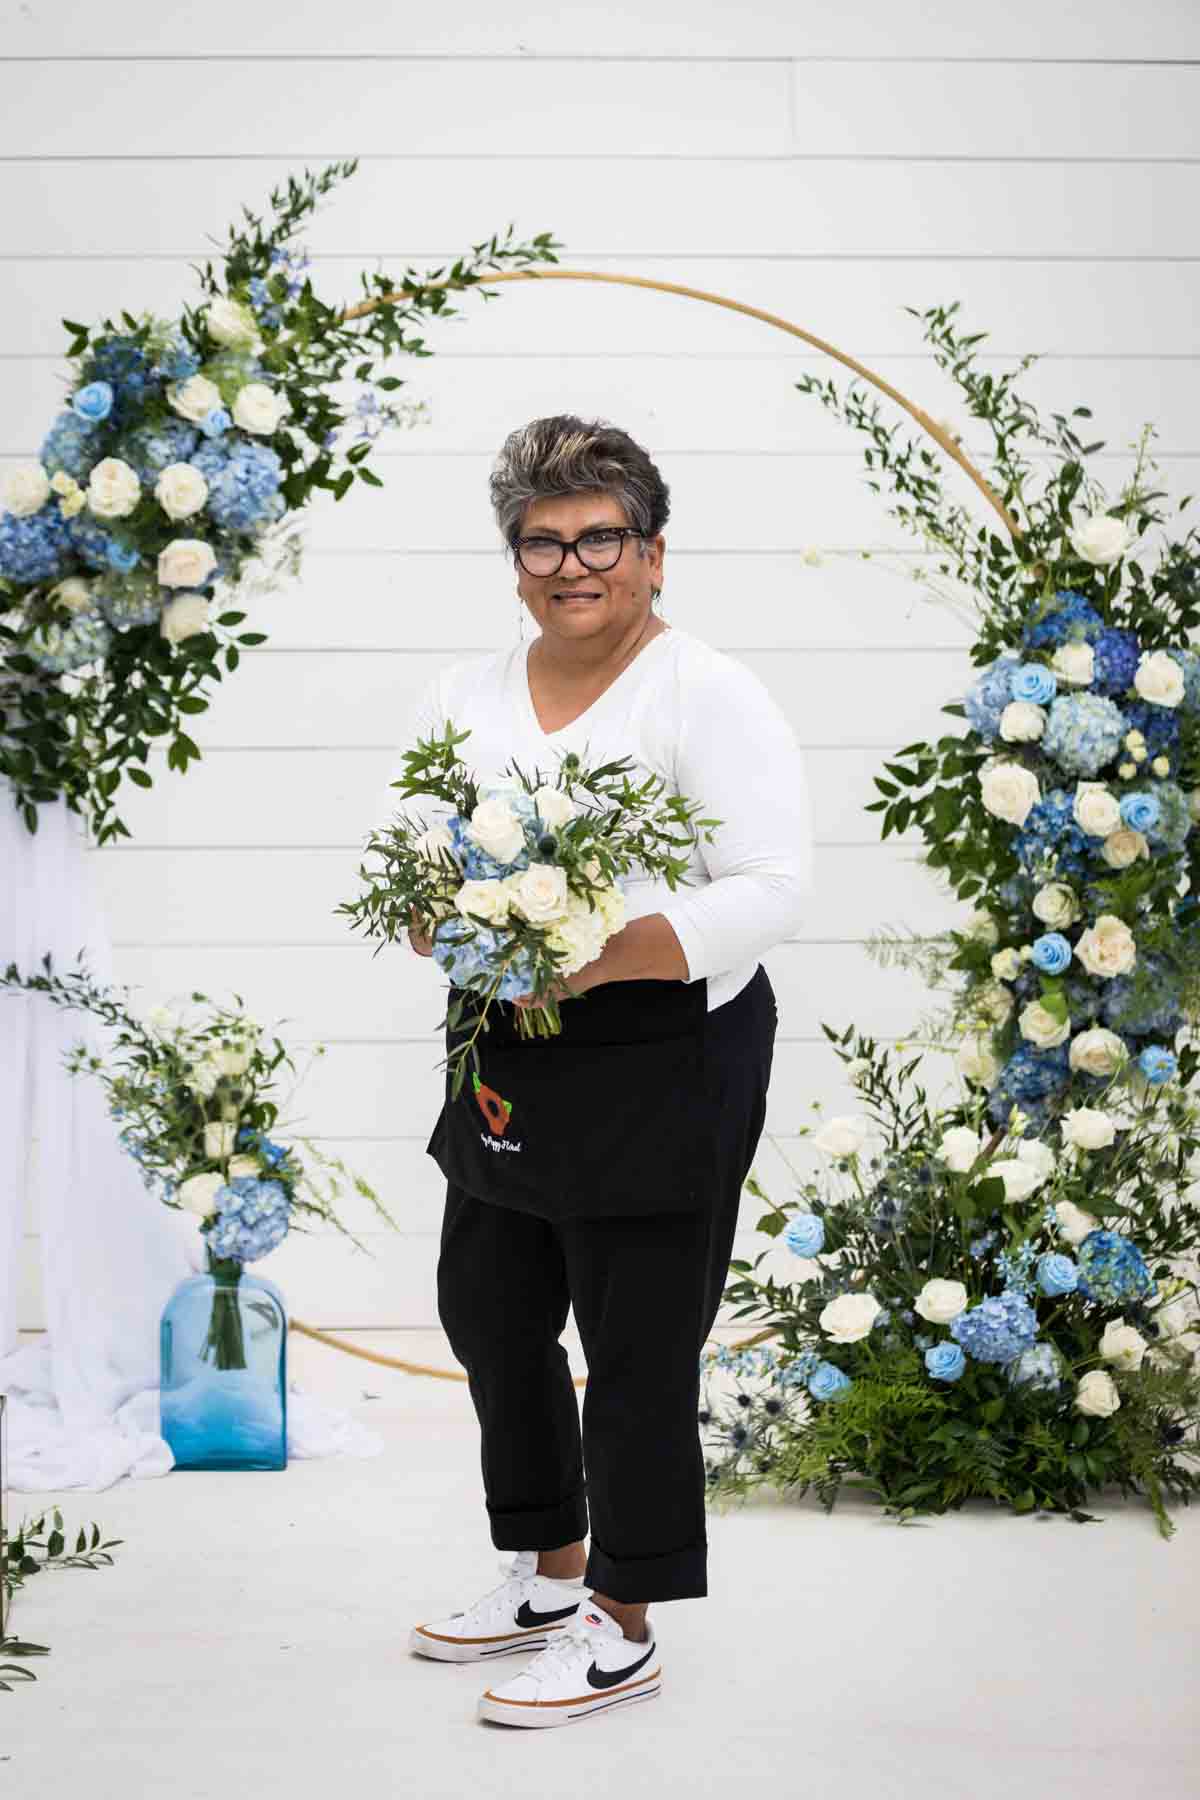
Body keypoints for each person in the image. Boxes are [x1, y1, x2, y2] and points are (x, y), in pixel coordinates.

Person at [391, 415, 815, 1728]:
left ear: (653, 552)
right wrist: (426, 909)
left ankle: (623, 1623)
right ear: (515, 557)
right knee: (489, 1309)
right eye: (543, 539)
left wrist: (592, 955)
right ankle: (547, 1569)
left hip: (664, 1044)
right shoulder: (462, 690)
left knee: (637, 1349)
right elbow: (415, 843)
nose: (571, 563)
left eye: (599, 536)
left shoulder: (708, 690)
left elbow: (769, 887)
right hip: (507, 1041)